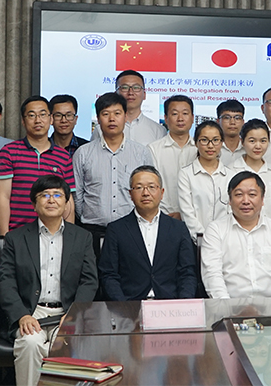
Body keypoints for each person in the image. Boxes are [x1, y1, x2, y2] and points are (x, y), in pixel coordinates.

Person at [0, 175, 98, 386]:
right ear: (34, 205)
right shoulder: (16, 238)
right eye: (44, 195)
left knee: (66, 343)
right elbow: (6, 282)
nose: (51, 200)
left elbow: (89, 281)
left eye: (57, 195)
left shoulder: (82, 237)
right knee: (30, 343)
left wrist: (74, 314)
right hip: (32, 312)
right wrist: (22, 315)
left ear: (67, 203)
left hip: (66, 312)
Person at [98, 166, 197, 300]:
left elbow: (187, 273)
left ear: (161, 192)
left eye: (151, 187)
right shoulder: (116, 230)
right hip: (130, 306)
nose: (145, 193)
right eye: (139, 187)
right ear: (130, 194)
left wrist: (182, 304)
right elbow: (108, 275)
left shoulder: (178, 228)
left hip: (169, 305)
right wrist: (123, 306)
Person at [201, 171, 271, 298]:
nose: (246, 201)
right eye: (239, 195)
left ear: (262, 199)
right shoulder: (216, 230)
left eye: (252, 195)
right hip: (232, 304)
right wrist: (225, 305)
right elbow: (212, 274)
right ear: (230, 200)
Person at [73, 92, 152, 258]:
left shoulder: (141, 153)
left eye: (117, 113)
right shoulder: (83, 153)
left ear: (125, 116)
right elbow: (77, 195)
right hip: (92, 232)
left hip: (131, 230)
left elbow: (148, 190)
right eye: (105, 114)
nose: (111, 119)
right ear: (98, 118)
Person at [0, 96, 75, 234]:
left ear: (51, 119)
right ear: (23, 121)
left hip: (53, 233)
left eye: (43, 114)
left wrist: (69, 236)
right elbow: (3, 197)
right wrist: (4, 235)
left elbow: (68, 201)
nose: (38, 120)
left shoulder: (63, 156)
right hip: (17, 233)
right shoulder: (9, 152)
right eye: (31, 115)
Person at [178, 120, 233, 243]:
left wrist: (221, 238)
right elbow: (187, 212)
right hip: (195, 241)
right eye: (204, 140)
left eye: (215, 140)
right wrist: (204, 239)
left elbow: (232, 211)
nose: (210, 145)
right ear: (195, 142)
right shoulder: (186, 174)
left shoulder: (230, 175)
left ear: (222, 142)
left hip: (225, 240)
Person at [229, 118, 271, 225]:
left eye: (263, 141)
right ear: (242, 142)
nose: (258, 146)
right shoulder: (231, 171)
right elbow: (228, 208)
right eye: (252, 141)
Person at [148, 95, 196, 220]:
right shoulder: (153, 149)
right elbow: (151, 185)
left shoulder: (201, 149)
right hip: (163, 217)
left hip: (196, 218)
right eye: (174, 114)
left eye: (185, 113)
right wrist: (165, 214)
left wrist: (185, 214)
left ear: (192, 118)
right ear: (166, 118)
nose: (180, 119)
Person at [91, 70, 166, 145]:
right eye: (124, 87)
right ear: (115, 94)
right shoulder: (100, 130)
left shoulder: (158, 130)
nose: (130, 92)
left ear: (144, 94)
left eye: (136, 87)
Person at [217, 99, 246, 166]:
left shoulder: (249, 147)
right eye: (227, 118)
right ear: (218, 121)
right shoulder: (212, 148)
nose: (232, 122)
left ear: (243, 122)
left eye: (237, 118)